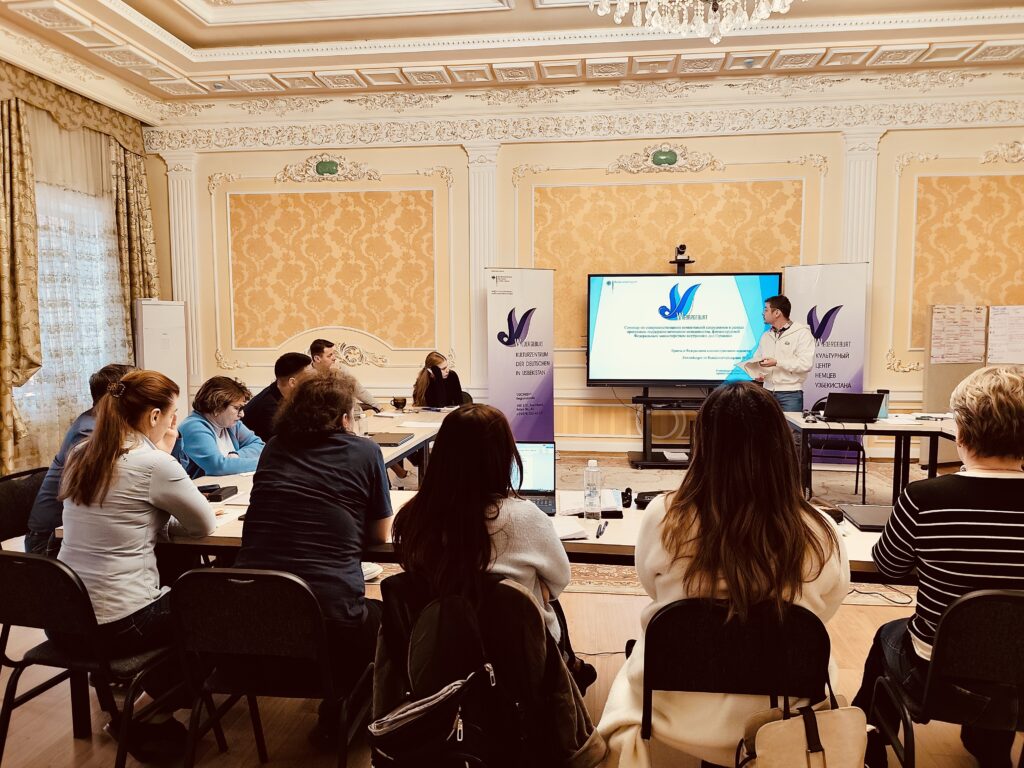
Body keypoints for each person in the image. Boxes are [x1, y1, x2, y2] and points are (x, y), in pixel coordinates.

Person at [597, 382, 848, 768]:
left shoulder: (664, 516)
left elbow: (652, 587)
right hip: (783, 706)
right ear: (782, 445)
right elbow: (825, 608)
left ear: (702, 444)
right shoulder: (821, 530)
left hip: (674, 701)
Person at [385, 403, 604, 764]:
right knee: (544, 600)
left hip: (438, 657)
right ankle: (570, 670)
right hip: (520, 661)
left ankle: (571, 667)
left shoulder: (413, 518)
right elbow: (559, 581)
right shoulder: (526, 517)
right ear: (504, 457)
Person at [853, 365, 1024, 768]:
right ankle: (990, 740)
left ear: (959, 433)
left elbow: (889, 566)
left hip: (936, 675)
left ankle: (869, 740)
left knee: (886, 635)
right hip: (1020, 679)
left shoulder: (925, 498)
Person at [55, 370, 216, 761]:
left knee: (180, 602)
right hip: (118, 625)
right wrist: (165, 457)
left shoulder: (81, 453)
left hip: (63, 620)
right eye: (173, 414)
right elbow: (203, 526)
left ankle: (140, 706)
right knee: (217, 610)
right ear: (155, 416)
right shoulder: (154, 464)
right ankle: (148, 712)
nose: (174, 422)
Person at [234, 371, 392, 744]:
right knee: (389, 618)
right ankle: (350, 712)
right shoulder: (365, 451)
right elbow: (379, 535)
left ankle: (337, 702)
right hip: (330, 622)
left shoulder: (274, 447)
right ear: (344, 418)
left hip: (252, 619)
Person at [25, 362, 134, 556]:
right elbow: (116, 486)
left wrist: (171, 436)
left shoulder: (112, 426)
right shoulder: (89, 431)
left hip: (77, 535)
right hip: (50, 542)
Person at [178, 376, 264, 478]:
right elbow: (218, 466)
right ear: (217, 407)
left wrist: (237, 455)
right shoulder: (193, 427)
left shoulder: (232, 424)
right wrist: (265, 464)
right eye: (237, 408)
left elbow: (259, 445)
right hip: (202, 487)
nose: (242, 414)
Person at [753, 295, 815, 413]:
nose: (763, 313)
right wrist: (758, 373)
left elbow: (805, 364)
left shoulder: (802, 333)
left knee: (790, 426)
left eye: (766, 310)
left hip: (790, 394)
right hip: (766, 392)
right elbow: (757, 359)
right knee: (767, 425)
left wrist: (777, 362)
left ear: (777, 313)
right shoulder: (766, 335)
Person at [241, 352, 312, 441]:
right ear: (292, 382)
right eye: (310, 379)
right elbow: (288, 443)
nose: (314, 382)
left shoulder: (279, 391)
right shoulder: (270, 409)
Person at [309, 338, 380, 412]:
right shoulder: (306, 374)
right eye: (329, 355)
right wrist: (334, 374)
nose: (334, 358)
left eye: (334, 354)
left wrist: (379, 408)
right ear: (317, 359)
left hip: (344, 411)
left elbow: (358, 390)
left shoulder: (341, 368)